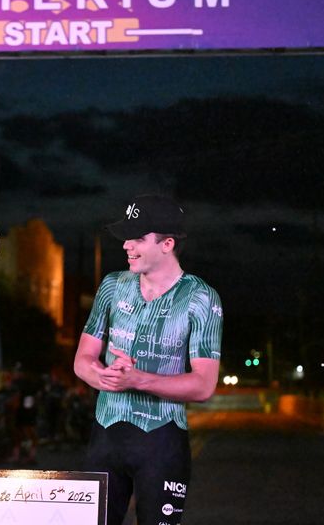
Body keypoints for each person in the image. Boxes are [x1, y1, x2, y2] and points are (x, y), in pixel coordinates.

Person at [73, 195, 223, 525]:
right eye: (127, 237)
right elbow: (83, 358)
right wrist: (103, 378)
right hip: (106, 434)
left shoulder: (201, 298)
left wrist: (136, 379)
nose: (127, 245)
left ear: (168, 243)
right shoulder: (112, 285)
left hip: (162, 441)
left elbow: (204, 385)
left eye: (138, 238)